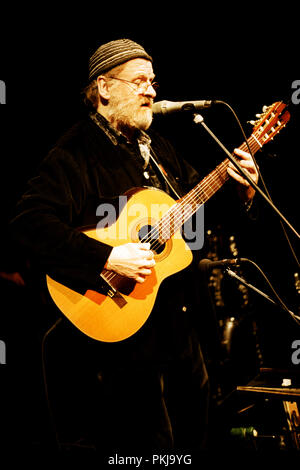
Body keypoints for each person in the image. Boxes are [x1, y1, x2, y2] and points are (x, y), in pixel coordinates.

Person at [10, 39, 258, 453]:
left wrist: (242, 192)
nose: (152, 91)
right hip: (122, 341)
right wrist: (107, 256)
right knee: (147, 452)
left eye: (153, 82)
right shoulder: (75, 151)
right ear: (104, 88)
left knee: (196, 442)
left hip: (181, 329)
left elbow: (197, 217)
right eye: (139, 81)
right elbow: (29, 224)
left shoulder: (158, 149)